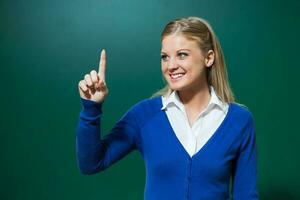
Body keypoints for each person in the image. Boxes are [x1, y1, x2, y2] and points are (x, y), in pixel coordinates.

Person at [76, 16, 259, 199]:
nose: (171, 66)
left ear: (208, 58)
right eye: (165, 57)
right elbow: (91, 163)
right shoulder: (145, 115)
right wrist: (91, 108)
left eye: (182, 54)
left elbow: (246, 195)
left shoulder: (239, 120)